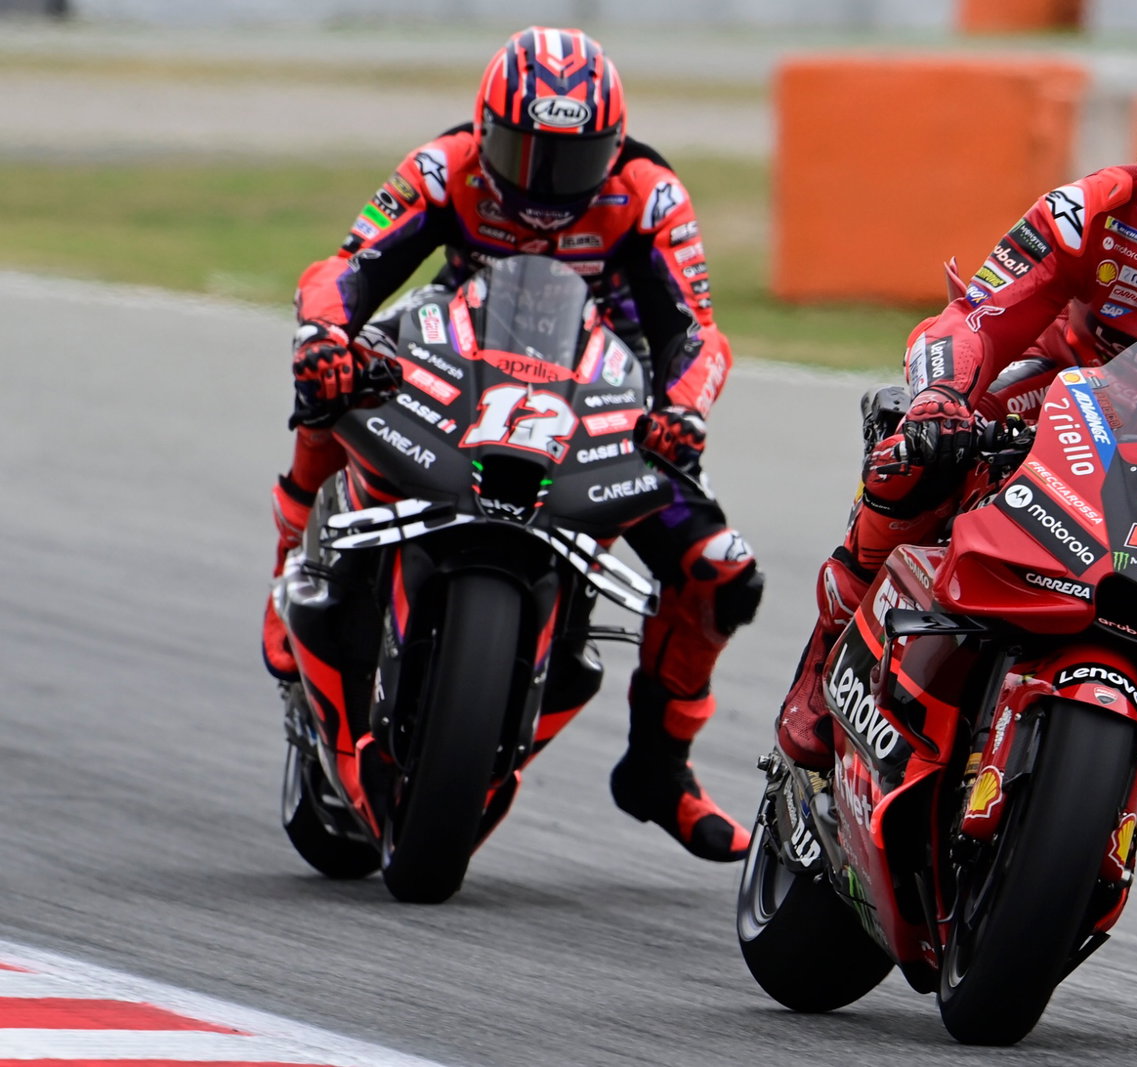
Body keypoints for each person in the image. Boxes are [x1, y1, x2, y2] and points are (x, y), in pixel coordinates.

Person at [777, 59, 1137, 768]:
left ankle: (1134, 745)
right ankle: (831, 643)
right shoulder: (1090, 211)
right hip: (1062, 384)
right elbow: (977, 316)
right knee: (912, 455)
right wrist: (943, 402)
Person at [261, 26, 762, 862]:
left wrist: (683, 409)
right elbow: (347, 269)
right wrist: (322, 334)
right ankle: (290, 562)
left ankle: (658, 765)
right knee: (331, 376)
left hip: (605, 403)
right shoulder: (441, 166)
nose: (541, 182)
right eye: (521, 150)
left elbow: (697, 335)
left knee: (722, 569)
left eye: (568, 159)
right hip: (456, 367)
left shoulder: (651, 192)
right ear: (483, 128)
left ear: (611, 147)